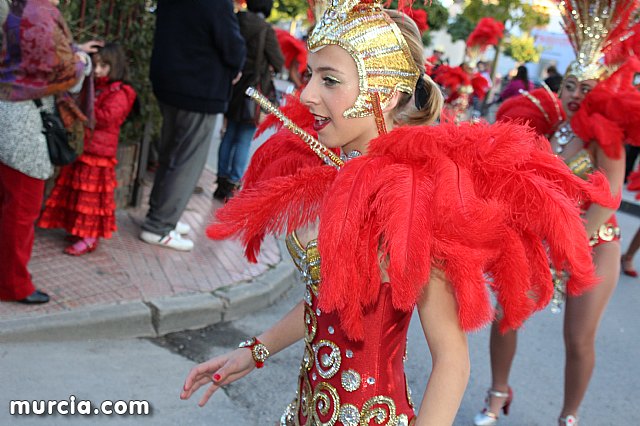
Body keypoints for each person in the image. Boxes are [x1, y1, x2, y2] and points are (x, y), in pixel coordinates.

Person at [179, 2, 612, 424]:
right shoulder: (337, 171)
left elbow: (451, 361)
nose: (306, 94)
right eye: (309, 75)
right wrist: (252, 352)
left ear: (382, 95)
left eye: (329, 80)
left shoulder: (414, 199)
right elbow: (326, 300)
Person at [477, 3, 639, 425]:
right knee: (506, 315)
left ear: (600, 92)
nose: (575, 95)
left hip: (593, 241)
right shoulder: (545, 125)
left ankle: (569, 416)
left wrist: (572, 243)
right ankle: (497, 393)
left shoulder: (605, 137)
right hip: (538, 238)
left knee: (578, 339)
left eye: (586, 88)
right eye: (570, 85)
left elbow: (610, 196)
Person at [0, 0, 95, 304]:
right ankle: (13, 285)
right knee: (21, 209)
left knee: (10, 205)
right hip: (21, 124)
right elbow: (59, 69)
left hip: (9, 112)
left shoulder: (18, 8)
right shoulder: (38, 12)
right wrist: (82, 60)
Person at [139, 0, 246, 251]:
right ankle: (159, 226)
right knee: (187, 162)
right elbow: (233, 47)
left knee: (170, 155)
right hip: (200, 90)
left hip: (169, 84)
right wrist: (236, 66)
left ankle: (161, 216)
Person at [37, 43, 137, 255]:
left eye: (104, 66)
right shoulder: (94, 86)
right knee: (77, 192)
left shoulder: (121, 91)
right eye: (97, 65)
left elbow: (107, 117)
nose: (99, 70)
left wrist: (81, 109)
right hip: (84, 148)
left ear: (115, 66)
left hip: (99, 154)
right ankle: (77, 229)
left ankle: (89, 236)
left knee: (90, 198)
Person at [213, 0, 284, 202]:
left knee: (228, 135)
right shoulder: (265, 29)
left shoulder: (235, 19)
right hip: (252, 92)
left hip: (231, 86)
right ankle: (232, 185)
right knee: (243, 138)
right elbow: (278, 62)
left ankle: (220, 182)